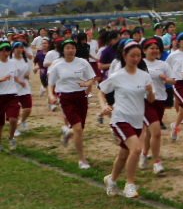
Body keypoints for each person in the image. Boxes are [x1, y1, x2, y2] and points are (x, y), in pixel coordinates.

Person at [100, 41, 154, 198]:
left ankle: (111, 180)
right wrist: (104, 106)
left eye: (138, 56)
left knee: (124, 154)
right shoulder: (118, 76)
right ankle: (130, 185)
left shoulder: (144, 76)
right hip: (120, 119)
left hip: (137, 120)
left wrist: (150, 92)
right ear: (124, 56)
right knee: (136, 149)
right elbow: (101, 91)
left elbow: (151, 100)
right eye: (132, 56)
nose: (135, 59)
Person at [47, 39, 96, 169]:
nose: (70, 50)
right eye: (68, 48)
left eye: (73, 48)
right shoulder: (57, 65)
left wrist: (86, 84)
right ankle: (82, 160)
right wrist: (51, 95)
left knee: (79, 129)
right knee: (78, 129)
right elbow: (50, 84)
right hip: (66, 98)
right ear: (63, 50)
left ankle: (67, 131)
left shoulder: (83, 62)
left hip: (81, 97)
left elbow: (91, 78)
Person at [139, 38, 175, 175]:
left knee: (150, 132)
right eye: (151, 48)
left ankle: (144, 154)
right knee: (156, 132)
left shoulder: (163, 64)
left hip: (160, 100)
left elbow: (173, 81)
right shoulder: (139, 64)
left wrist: (165, 78)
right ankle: (157, 162)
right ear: (144, 50)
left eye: (156, 48)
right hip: (145, 101)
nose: (154, 50)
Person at [0, 42, 19, 151]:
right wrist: (1, 79)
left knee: (13, 119)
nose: (5, 52)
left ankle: (11, 138)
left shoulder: (13, 63)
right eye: (3, 50)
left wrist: (21, 82)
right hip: (0, 95)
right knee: (0, 123)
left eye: (7, 50)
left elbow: (15, 76)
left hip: (12, 95)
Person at [11, 42, 32, 135]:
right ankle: (14, 129)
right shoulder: (10, 60)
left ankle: (21, 122)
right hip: (13, 88)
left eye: (21, 48)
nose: (19, 49)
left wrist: (27, 75)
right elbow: (11, 74)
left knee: (28, 108)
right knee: (14, 110)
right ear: (13, 49)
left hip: (24, 87)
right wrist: (19, 81)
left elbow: (27, 71)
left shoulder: (24, 59)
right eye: (17, 48)